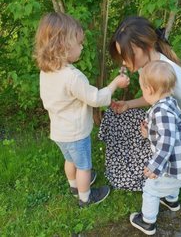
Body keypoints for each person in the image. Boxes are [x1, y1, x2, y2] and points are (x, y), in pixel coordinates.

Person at [99, 15, 181, 204]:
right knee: (116, 115)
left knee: (137, 172)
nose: (124, 62)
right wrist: (128, 105)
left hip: (173, 138)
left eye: (126, 55)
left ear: (145, 47)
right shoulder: (146, 65)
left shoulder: (178, 80)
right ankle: (127, 167)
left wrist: (158, 133)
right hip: (160, 121)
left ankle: (164, 180)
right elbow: (153, 97)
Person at [34, 12, 129, 207]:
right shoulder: (72, 76)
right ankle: (85, 198)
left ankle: (73, 185)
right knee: (84, 166)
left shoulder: (46, 71)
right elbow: (95, 99)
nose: (82, 46)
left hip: (59, 132)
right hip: (76, 133)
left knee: (70, 161)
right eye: (78, 43)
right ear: (63, 46)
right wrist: (114, 85)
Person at [129, 60, 181, 235]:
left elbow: (166, 143)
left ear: (148, 90)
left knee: (150, 188)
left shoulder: (161, 112)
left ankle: (147, 221)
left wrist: (155, 166)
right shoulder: (170, 102)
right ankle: (172, 200)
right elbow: (168, 132)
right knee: (172, 181)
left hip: (174, 164)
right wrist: (148, 133)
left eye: (143, 89)